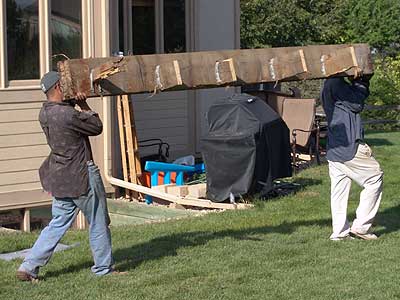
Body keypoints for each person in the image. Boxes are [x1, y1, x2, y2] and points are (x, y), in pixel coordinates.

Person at [17, 71, 115, 281]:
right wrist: (85, 105)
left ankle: (28, 266)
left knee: (58, 222)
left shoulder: (44, 114)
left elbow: (65, 115)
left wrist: (72, 103)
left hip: (60, 178)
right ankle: (103, 269)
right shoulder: (68, 115)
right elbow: (96, 127)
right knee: (97, 222)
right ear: (59, 88)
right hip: (81, 176)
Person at [321, 75, 383, 241]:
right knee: (374, 178)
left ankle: (339, 233)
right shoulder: (336, 83)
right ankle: (361, 228)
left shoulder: (329, 83)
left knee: (339, 192)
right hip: (347, 145)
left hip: (335, 146)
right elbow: (356, 104)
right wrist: (362, 83)